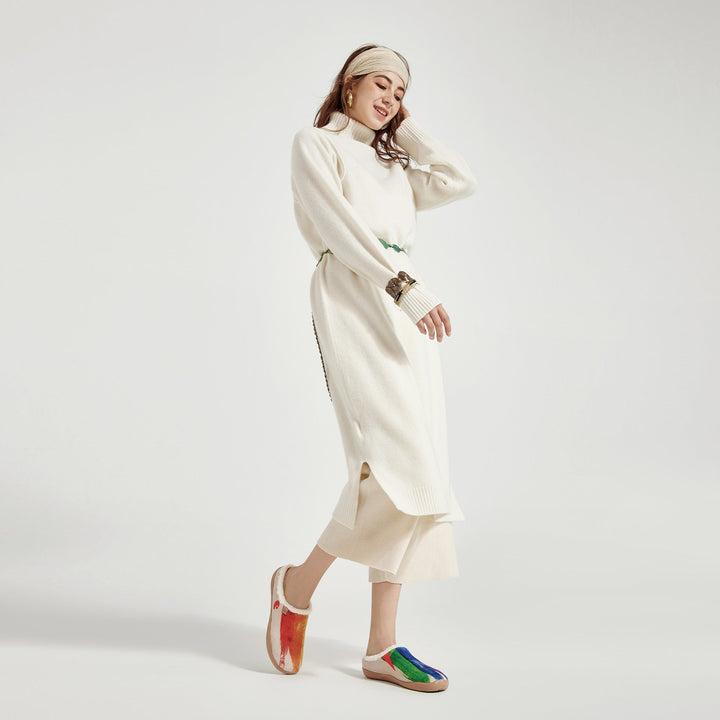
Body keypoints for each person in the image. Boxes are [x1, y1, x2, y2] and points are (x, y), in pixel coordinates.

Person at [266, 44, 477, 692]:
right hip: (358, 292)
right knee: (388, 463)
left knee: (420, 470)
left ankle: (381, 644)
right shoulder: (316, 145)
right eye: (381, 85)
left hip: (406, 307)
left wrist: (405, 130)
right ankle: (296, 585)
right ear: (349, 86)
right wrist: (402, 286)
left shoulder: (393, 164)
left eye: (400, 92)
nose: (390, 98)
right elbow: (337, 228)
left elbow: (458, 179)